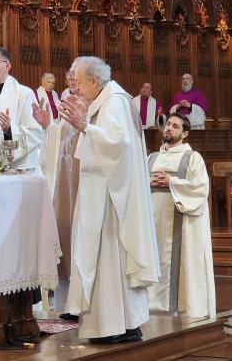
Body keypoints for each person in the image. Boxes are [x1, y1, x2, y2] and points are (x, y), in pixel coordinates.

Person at [60, 56, 159, 343]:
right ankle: (123, 324)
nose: (75, 89)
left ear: (94, 80)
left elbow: (120, 145)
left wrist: (86, 127)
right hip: (103, 191)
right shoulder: (106, 98)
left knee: (108, 259)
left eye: (78, 82)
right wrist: (85, 120)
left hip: (110, 199)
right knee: (107, 261)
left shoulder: (114, 100)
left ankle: (113, 326)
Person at [147, 113, 216, 319]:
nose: (168, 128)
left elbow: (200, 190)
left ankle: (186, 310)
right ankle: (150, 307)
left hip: (181, 224)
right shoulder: (151, 158)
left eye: (175, 126)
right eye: (168, 124)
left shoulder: (193, 158)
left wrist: (172, 182)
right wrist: (147, 182)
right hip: (153, 226)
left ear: (184, 133)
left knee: (180, 265)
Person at [34, 65, 84, 320]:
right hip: (66, 182)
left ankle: (85, 303)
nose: (72, 79)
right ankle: (70, 303)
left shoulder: (97, 104)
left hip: (85, 180)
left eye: (77, 76)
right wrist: (48, 127)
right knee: (67, 240)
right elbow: (61, 138)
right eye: (69, 76)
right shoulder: (67, 102)